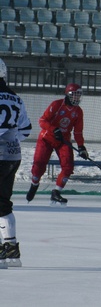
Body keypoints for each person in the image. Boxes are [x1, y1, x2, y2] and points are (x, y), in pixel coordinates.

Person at [27, 83, 89, 205]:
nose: (77, 98)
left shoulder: (78, 112)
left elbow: (78, 131)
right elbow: (42, 121)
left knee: (68, 167)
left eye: (79, 96)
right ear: (68, 95)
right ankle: (34, 184)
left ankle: (56, 192)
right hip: (47, 138)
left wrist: (81, 146)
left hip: (63, 140)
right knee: (39, 165)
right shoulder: (56, 104)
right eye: (75, 95)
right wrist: (54, 129)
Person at [0, 59, 32, 268]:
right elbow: (26, 129)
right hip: (12, 155)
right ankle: (11, 249)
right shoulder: (16, 97)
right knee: (3, 202)